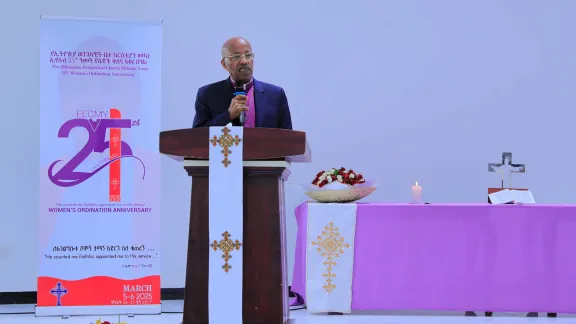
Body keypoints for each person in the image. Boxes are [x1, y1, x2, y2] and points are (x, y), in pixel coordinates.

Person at [192, 37, 293, 129]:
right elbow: (197, 136)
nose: (244, 61)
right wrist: (228, 115)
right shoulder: (207, 94)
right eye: (236, 57)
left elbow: (288, 139)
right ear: (224, 65)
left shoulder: (275, 95)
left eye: (248, 55)